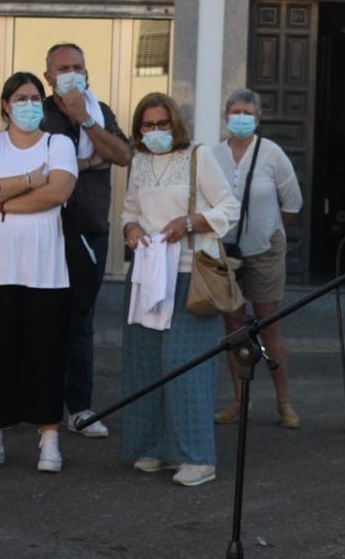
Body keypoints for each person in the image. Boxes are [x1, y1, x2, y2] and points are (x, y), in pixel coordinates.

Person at [120, 92, 240, 487]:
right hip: (148, 273)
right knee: (148, 363)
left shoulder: (198, 157)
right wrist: (131, 229)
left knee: (185, 364)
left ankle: (198, 457)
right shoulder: (138, 161)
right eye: (148, 125)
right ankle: (156, 448)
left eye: (162, 124)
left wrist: (189, 223)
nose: (155, 132)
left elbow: (228, 207)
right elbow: (129, 211)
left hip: (191, 275)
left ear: (176, 125)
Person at [0, 72, 76, 472]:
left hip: (43, 266)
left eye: (35, 97)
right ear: (6, 104)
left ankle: (49, 439)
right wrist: (30, 180)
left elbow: (58, 191)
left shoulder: (58, 143)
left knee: (45, 352)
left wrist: (4, 200)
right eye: (20, 97)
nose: (28, 104)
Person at [40, 42, 131, 438]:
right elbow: (37, 167)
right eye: (63, 67)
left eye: (78, 65)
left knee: (80, 324)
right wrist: (91, 160)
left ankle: (79, 408)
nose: (72, 72)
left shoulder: (101, 111)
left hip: (89, 231)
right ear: (48, 76)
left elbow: (125, 154)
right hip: (43, 232)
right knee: (36, 321)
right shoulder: (34, 110)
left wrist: (87, 123)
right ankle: (30, 404)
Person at [211, 88, 303, 428]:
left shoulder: (272, 153)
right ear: (225, 116)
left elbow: (292, 204)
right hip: (224, 253)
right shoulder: (211, 154)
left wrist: (265, 228)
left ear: (258, 118)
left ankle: (284, 403)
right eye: (235, 111)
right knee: (233, 328)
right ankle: (238, 402)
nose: (240, 117)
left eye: (247, 112)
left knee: (268, 326)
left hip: (264, 249)